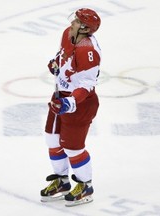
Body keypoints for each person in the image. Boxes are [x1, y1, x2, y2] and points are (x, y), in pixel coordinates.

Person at [40, 8, 101, 207]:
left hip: (80, 103)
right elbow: (62, 55)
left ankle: (85, 186)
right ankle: (62, 181)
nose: (72, 23)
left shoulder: (89, 51)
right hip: (60, 96)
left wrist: (70, 103)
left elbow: (86, 85)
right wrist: (55, 64)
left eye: (76, 21)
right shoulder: (68, 34)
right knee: (52, 138)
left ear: (84, 29)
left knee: (73, 147)